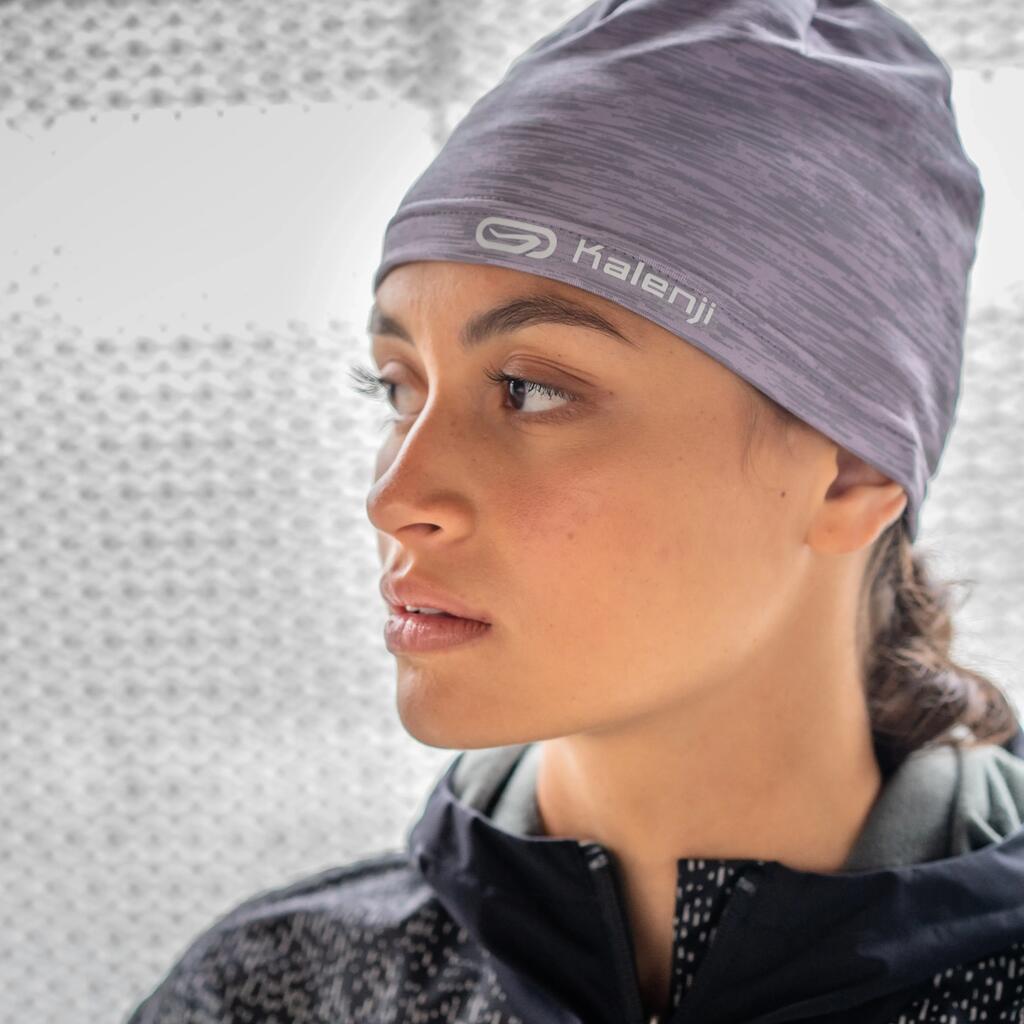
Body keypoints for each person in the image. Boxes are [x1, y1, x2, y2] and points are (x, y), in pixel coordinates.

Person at [123, 1, 1024, 1022]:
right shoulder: (273, 993)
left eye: (531, 389)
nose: (395, 497)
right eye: (398, 387)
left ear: (848, 471)